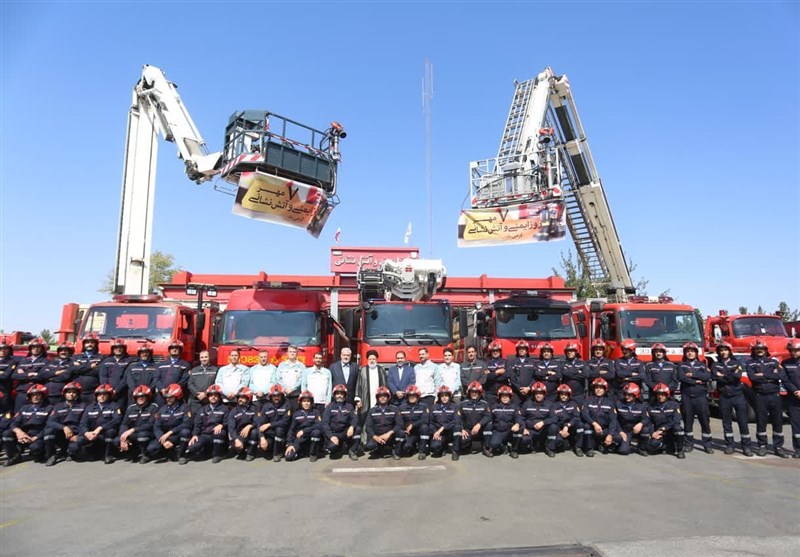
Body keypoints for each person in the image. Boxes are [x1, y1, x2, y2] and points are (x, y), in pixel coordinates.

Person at [746, 339, 789, 457]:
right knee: (761, 421)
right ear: (754, 350)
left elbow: (781, 375)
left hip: (774, 396)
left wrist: (763, 375)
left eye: (762, 349)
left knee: (778, 421)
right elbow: (752, 378)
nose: (759, 350)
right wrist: (771, 377)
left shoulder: (773, 362)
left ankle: (778, 446)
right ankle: (762, 446)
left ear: (766, 350)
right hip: (760, 396)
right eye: (757, 349)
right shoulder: (750, 363)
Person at [712, 342, 753, 456]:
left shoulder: (737, 363)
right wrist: (729, 375)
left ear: (729, 351)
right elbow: (715, 376)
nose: (723, 352)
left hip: (738, 396)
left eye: (725, 350)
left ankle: (746, 447)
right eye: (721, 350)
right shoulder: (716, 365)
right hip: (724, 397)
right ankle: (729, 445)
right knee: (726, 423)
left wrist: (723, 376)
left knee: (743, 422)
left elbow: (737, 376)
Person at [69, 384, 122, 464]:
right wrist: (87, 433)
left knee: (111, 432)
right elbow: (83, 423)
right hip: (91, 433)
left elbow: (117, 420)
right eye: (99, 394)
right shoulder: (90, 407)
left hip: (105, 433)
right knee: (73, 447)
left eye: (104, 394)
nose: (102, 396)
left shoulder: (114, 406)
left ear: (109, 395)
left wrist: (101, 428)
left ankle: (108, 455)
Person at [2, 384, 53, 466]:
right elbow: (14, 423)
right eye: (33, 395)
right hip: (24, 435)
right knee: (6, 434)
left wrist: (35, 437)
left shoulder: (49, 408)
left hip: (39, 436)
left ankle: (45, 454)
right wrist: (19, 432)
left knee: (36, 450)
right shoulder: (24, 408)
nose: (35, 397)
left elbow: (49, 426)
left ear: (43, 395)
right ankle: (14, 457)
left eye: (38, 394)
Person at [677, 342, 714, 454]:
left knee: (704, 420)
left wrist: (692, 375)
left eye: (692, 351)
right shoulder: (681, 365)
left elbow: (707, 376)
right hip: (687, 397)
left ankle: (707, 444)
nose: (690, 353)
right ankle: (688, 444)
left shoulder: (702, 365)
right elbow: (682, 378)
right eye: (688, 351)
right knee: (688, 420)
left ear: (696, 353)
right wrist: (697, 381)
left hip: (701, 397)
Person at [184, 384, 230, 464]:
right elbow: (197, 424)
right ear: (208, 397)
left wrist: (222, 425)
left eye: (215, 395)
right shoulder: (203, 409)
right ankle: (207, 452)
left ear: (219, 397)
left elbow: (228, 422)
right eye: (211, 395)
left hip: (217, 434)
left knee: (220, 433)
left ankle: (217, 454)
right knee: (192, 447)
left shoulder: (224, 409)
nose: (213, 397)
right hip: (205, 434)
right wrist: (195, 435)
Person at [43, 382, 86, 466]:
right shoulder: (58, 406)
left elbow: (85, 423)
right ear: (64, 394)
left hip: (76, 434)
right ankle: (52, 455)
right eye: (69, 392)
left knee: (74, 448)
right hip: (62, 433)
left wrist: (78, 434)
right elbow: (50, 421)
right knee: (48, 431)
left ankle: (70, 452)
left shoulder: (83, 406)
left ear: (78, 394)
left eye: (74, 392)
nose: (71, 394)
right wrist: (64, 427)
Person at [146, 383, 191, 462]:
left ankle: (182, 455)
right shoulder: (162, 409)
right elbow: (157, 426)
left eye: (170, 397)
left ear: (177, 397)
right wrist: (163, 439)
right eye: (166, 397)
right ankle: (169, 451)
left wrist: (170, 432)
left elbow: (187, 423)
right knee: (151, 449)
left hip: (177, 435)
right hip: (165, 436)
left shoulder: (185, 407)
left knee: (186, 432)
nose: (168, 399)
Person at [117, 385, 159, 463]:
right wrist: (122, 437)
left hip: (149, 433)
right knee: (117, 440)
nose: (140, 398)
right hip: (134, 433)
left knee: (142, 436)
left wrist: (133, 430)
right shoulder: (131, 408)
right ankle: (133, 452)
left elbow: (150, 424)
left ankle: (145, 454)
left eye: (143, 396)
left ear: (147, 396)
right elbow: (124, 424)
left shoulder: (153, 407)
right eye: (138, 396)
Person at [581, 378, 619, 457]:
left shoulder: (610, 402)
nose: (598, 390)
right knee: (586, 426)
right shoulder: (587, 400)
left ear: (605, 390)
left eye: (601, 388)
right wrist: (594, 423)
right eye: (597, 388)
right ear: (594, 389)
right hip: (592, 428)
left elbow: (613, 420)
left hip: (604, 429)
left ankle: (602, 444)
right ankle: (589, 448)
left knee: (619, 438)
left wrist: (610, 434)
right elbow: (585, 414)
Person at [322, 384, 360, 460]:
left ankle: (352, 450)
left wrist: (352, 427)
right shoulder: (329, 407)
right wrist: (331, 436)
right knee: (332, 447)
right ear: (334, 395)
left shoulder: (349, 406)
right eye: (337, 394)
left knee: (358, 429)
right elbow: (325, 423)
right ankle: (337, 448)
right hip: (334, 433)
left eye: (341, 394)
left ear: (345, 395)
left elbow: (355, 418)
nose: (339, 396)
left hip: (345, 432)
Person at [647, 383, 685, 459]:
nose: (660, 396)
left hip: (671, 431)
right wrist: (652, 433)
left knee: (678, 429)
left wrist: (664, 428)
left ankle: (680, 450)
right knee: (651, 446)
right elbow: (648, 422)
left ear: (667, 394)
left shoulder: (674, 405)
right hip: (659, 433)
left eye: (662, 394)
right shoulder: (651, 406)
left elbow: (676, 420)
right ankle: (665, 447)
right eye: (658, 394)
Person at [12, 337, 50, 412]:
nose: (35, 349)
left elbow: (41, 376)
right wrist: (29, 374)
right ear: (30, 348)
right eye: (33, 347)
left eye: (38, 347)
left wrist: (23, 374)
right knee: (18, 414)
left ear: (42, 348)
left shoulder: (46, 361)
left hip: (36, 393)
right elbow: (14, 376)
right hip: (22, 392)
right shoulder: (24, 361)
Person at [257, 384, 292, 462]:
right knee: (265, 449)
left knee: (279, 430)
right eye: (274, 396)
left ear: (282, 395)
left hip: (283, 433)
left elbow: (285, 421)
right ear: (270, 396)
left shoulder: (287, 404)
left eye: (278, 395)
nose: (276, 397)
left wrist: (269, 424)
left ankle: (277, 453)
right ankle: (270, 448)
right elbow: (260, 423)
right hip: (270, 433)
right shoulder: (266, 406)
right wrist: (262, 438)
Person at [394, 385, 430, 459]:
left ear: (418, 396)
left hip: (418, 431)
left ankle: (422, 451)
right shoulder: (401, 407)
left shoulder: (424, 406)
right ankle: (398, 452)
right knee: (407, 447)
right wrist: (405, 430)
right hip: (407, 432)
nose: (412, 397)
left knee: (425, 427)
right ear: (407, 396)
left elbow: (425, 420)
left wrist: (412, 425)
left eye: (414, 395)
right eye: (410, 395)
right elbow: (399, 422)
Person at [285, 391, 322, 462]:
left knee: (316, 432)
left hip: (311, 437)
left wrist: (304, 431)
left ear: (311, 402)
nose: (306, 403)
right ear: (300, 402)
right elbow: (291, 430)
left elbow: (319, 425)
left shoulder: (316, 412)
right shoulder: (296, 414)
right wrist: (290, 444)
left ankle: (313, 454)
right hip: (300, 439)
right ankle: (301, 452)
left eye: (308, 401)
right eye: (304, 401)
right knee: (289, 457)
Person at [548, 384, 584, 457]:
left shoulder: (573, 404)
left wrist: (568, 425)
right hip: (559, 429)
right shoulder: (554, 406)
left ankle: (578, 447)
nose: (563, 396)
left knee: (580, 425)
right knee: (557, 439)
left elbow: (576, 417)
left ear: (569, 395)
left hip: (570, 427)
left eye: (565, 394)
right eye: (562, 394)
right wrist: (560, 431)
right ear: (559, 395)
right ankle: (550, 448)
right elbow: (554, 420)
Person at [616, 383, 651, 456]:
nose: (627, 396)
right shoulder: (619, 404)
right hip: (625, 430)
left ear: (636, 395)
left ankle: (641, 448)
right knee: (623, 451)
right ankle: (631, 447)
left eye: (629, 395)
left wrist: (641, 424)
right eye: (625, 394)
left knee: (646, 429)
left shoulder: (642, 405)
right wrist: (620, 431)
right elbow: (615, 420)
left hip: (636, 430)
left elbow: (646, 418)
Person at [487, 385, 522, 458]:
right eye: (503, 396)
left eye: (507, 396)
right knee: (494, 444)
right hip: (498, 431)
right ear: (499, 397)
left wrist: (517, 424)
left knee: (519, 429)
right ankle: (503, 446)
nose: (505, 398)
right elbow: (489, 418)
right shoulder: (494, 407)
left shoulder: (515, 407)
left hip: (510, 430)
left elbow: (518, 417)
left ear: (510, 397)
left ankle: (514, 450)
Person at [428, 385, 462, 461]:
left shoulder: (455, 407)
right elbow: (431, 422)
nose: (444, 397)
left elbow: (456, 421)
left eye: (446, 395)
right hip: (440, 433)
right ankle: (443, 447)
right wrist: (435, 432)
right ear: (439, 397)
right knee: (435, 448)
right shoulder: (434, 407)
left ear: (449, 396)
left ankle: (455, 451)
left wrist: (443, 428)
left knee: (457, 427)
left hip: (450, 432)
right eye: (442, 396)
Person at [520, 382, 554, 455]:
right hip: (530, 430)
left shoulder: (549, 404)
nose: (538, 395)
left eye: (541, 393)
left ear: (544, 394)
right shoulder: (527, 404)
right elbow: (520, 417)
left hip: (543, 431)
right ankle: (532, 446)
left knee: (553, 428)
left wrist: (543, 422)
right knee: (524, 440)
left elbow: (554, 418)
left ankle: (549, 448)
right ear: (533, 394)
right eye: (536, 393)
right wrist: (523, 428)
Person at [363, 386, 398, 459]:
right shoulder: (372, 410)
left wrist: (388, 434)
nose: (382, 398)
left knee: (401, 433)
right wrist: (375, 437)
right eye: (380, 396)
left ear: (388, 397)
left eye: (385, 396)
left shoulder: (394, 409)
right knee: (369, 446)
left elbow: (399, 424)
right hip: (377, 436)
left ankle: (395, 450)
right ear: (377, 398)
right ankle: (379, 449)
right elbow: (368, 427)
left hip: (391, 435)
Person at [459, 381, 492, 456]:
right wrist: (462, 429)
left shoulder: (484, 404)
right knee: (462, 441)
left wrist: (479, 425)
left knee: (489, 425)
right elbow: (458, 418)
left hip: (481, 429)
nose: (474, 394)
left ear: (480, 392)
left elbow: (488, 416)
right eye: (472, 392)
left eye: (476, 392)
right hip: (468, 429)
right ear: (469, 392)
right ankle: (469, 446)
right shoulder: (463, 404)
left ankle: (486, 447)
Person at [154, 339, 191, 406]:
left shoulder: (185, 365)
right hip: (161, 396)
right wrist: (162, 389)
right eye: (172, 348)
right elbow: (156, 378)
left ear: (180, 350)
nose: (174, 350)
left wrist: (173, 389)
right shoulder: (161, 364)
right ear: (169, 350)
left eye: (176, 348)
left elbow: (184, 380)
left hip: (177, 396)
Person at [356, 350, 388, 422]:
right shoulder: (363, 370)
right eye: (370, 359)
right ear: (367, 359)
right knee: (366, 418)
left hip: (379, 397)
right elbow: (359, 384)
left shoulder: (381, 370)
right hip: (366, 398)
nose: (372, 361)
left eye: (373, 359)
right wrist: (358, 400)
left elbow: (385, 384)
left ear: (376, 360)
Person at [780, 339, 800, 458]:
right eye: (791, 350)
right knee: (796, 425)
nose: (793, 353)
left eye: (796, 350)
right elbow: (785, 379)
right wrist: (796, 391)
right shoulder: (786, 363)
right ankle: (798, 449)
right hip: (794, 398)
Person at [100, 338, 133, 408]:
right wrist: (107, 389)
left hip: (121, 393)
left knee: (120, 411)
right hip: (106, 392)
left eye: (121, 347)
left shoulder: (129, 361)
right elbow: (103, 376)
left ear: (124, 349)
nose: (118, 349)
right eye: (116, 347)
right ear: (112, 349)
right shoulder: (106, 361)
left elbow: (126, 378)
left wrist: (116, 390)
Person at [228, 387, 259, 461]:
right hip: (239, 434)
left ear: (249, 398)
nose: (240, 399)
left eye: (243, 397)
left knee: (254, 432)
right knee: (236, 448)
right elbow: (231, 428)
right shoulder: (234, 411)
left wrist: (250, 426)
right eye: (239, 397)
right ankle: (241, 450)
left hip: (251, 432)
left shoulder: (254, 409)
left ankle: (251, 453)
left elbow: (258, 421)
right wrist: (236, 440)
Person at [71, 333, 103, 403]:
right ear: (84, 344)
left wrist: (80, 368)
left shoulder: (101, 357)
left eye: (92, 342)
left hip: (93, 392)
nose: (89, 344)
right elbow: (73, 370)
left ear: (96, 344)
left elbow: (98, 371)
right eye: (87, 342)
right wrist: (90, 367)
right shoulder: (76, 357)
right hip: (77, 392)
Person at [272, 346, 305, 411]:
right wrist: (285, 388)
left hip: (296, 396)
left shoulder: (301, 366)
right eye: (290, 352)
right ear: (287, 353)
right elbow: (278, 378)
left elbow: (302, 380)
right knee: (283, 415)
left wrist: (292, 389)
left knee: (295, 415)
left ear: (297, 353)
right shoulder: (282, 365)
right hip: (284, 395)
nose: (292, 353)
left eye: (294, 352)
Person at [187, 350, 218, 415]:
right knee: (196, 421)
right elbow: (190, 384)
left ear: (209, 357)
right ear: (199, 358)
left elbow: (216, 384)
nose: (204, 359)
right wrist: (197, 394)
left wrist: (205, 393)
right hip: (196, 401)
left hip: (209, 400)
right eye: (202, 357)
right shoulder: (194, 370)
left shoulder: (215, 370)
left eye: (206, 357)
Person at [508, 340, 536, 405]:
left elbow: (535, 376)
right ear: (517, 350)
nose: (521, 350)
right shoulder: (512, 362)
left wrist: (529, 388)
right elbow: (512, 377)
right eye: (520, 349)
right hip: (516, 392)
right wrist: (519, 388)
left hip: (529, 392)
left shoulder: (532, 362)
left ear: (527, 350)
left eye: (523, 349)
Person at [0, 336, 19, 414]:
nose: (2, 351)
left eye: (5, 348)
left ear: (9, 350)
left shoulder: (12, 362)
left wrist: (3, 373)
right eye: (0, 349)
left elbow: (5, 376)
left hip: (4, 391)